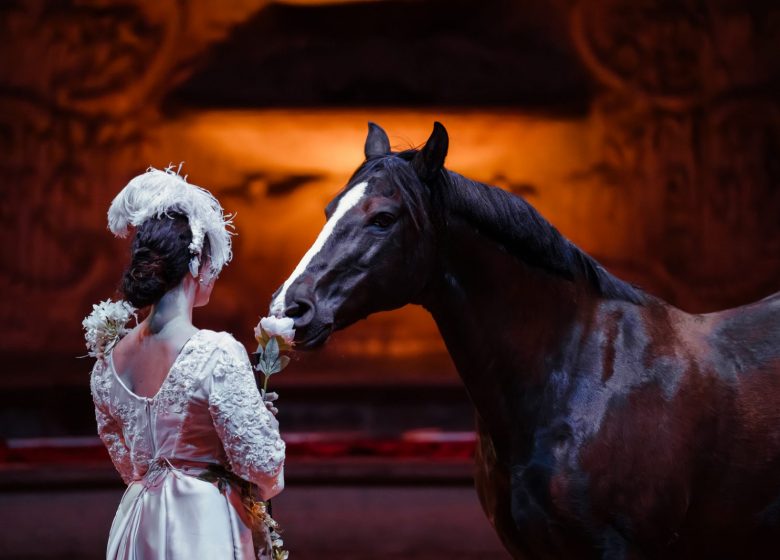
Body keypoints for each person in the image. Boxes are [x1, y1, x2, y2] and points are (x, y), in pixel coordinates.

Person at [86, 167, 285, 559]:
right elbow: (262, 466)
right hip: (201, 520)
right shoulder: (215, 352)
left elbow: (131, 467)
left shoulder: (106, 365)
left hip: (139, 522)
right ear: (196, 264)